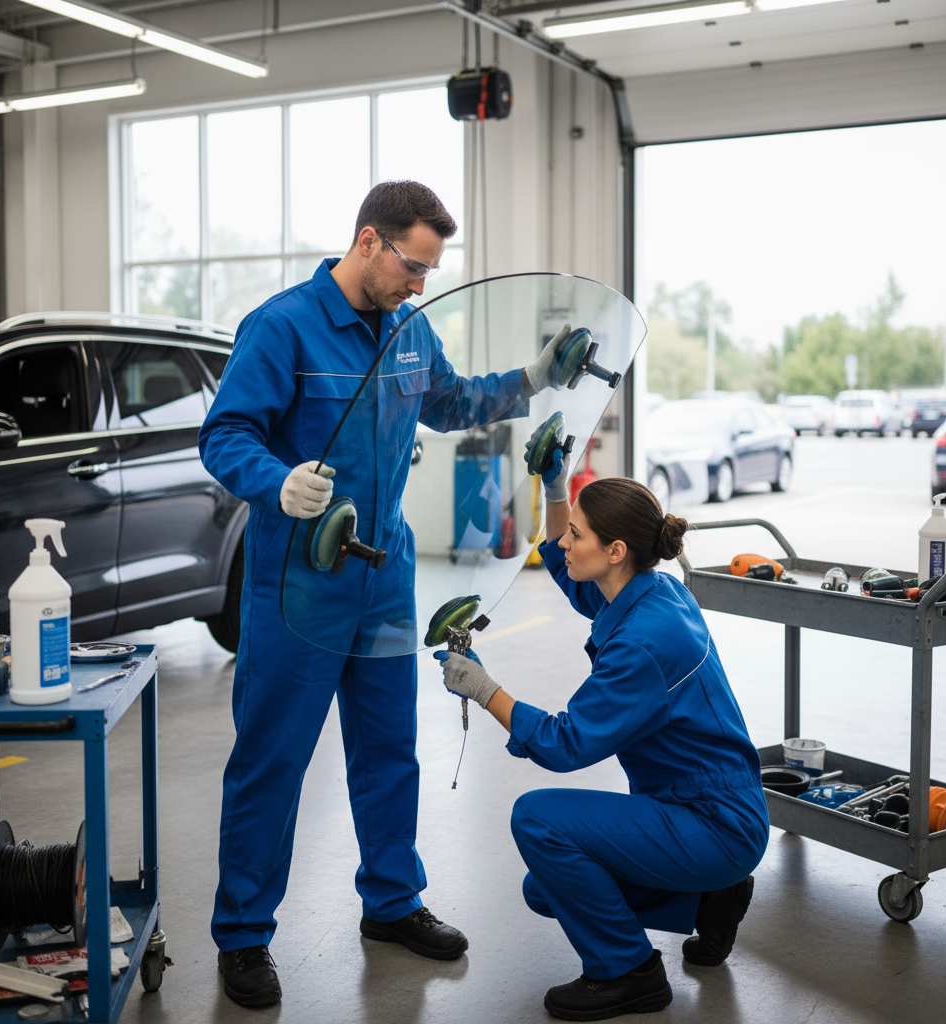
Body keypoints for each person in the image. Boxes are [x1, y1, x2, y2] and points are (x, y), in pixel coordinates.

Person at [198, 180, 569, 1007]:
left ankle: (392, 903)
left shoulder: (408, 327)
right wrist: (275, 482)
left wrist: (533, 379)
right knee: (272, 760)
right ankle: (244, 935)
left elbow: (452, 401)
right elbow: (225, 435)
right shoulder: (282, 325)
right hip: (299, 577)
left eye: (431, 270)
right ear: (369, 241)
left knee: (390, 751)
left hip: (384, 577)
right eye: (413, 264)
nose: (420, 283)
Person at [435, 452, 769, 1021]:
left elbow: (567, 744)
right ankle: (711, 898)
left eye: (575, 535)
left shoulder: (643, 644)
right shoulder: (652, 588)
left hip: (715, 822)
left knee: (537, 820)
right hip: (705, 806)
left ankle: (629, 972)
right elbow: (576, 582)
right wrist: (557, 486)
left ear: (615, 551)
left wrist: (485, 688)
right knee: (546, 890)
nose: (562, 544)